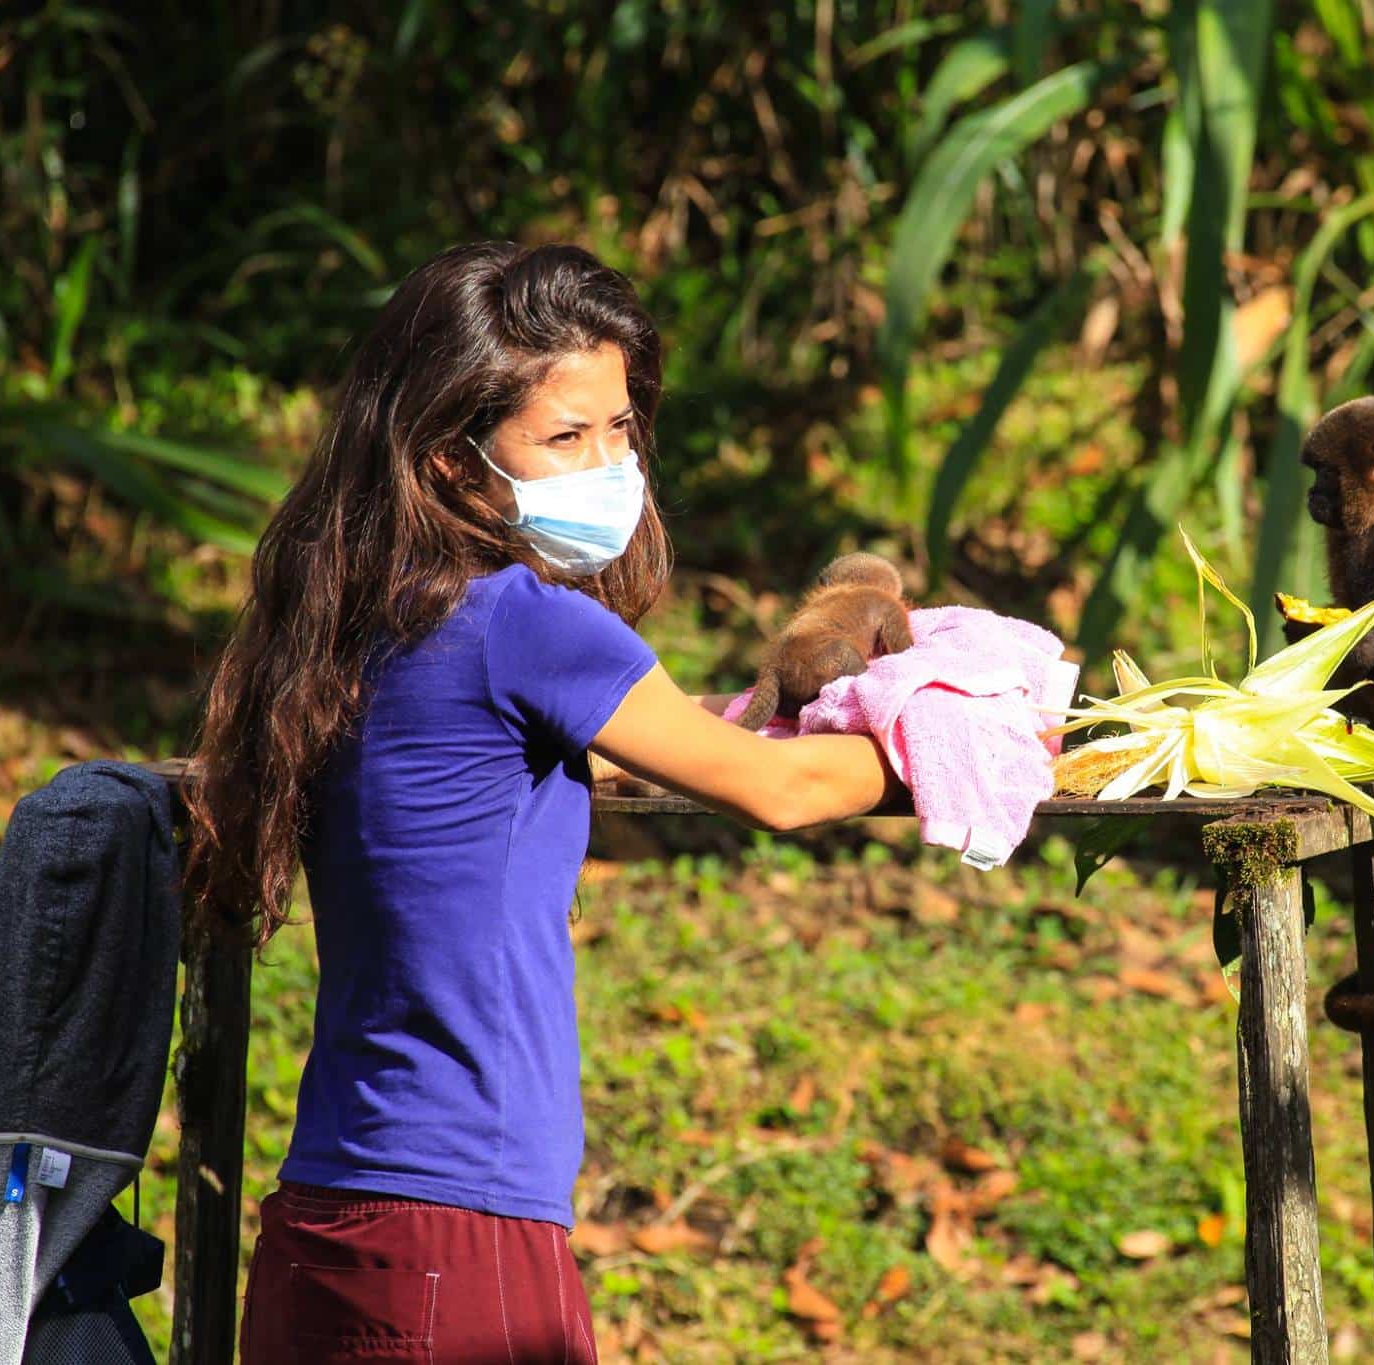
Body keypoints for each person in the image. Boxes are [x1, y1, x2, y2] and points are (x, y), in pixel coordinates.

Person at [184, 241, 898, 1362]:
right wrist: (961, 740)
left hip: (334, 1215)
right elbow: (784, 792)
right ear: (454, 463)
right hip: (453, 1238)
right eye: (565, 437)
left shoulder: (367, 624)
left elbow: (639, 740)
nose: (609, 462)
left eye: (619, 428)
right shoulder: (526, 623)